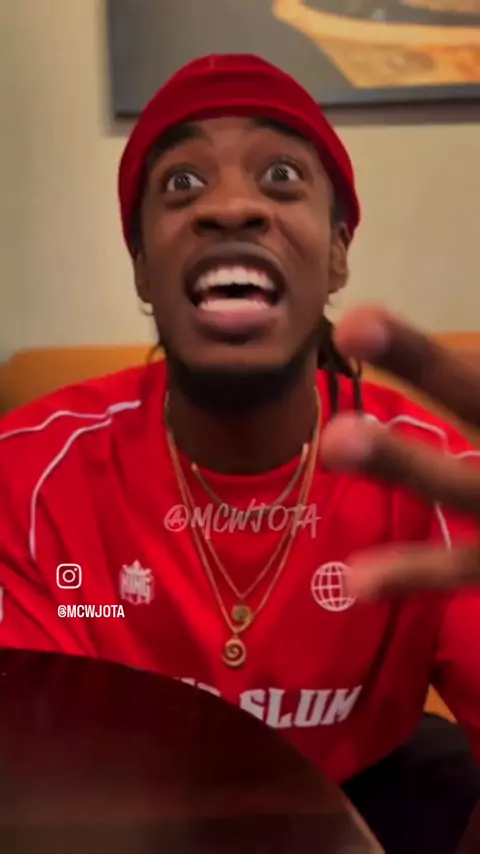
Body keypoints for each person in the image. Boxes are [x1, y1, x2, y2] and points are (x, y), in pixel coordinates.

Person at [1, 54, 479, 851]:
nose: (229, 207)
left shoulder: (433, 480)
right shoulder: (26, 479)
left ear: (337, 252)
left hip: (367, 799)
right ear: (142, 266)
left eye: (281, 177)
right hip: (115, 814)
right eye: (182, 183)